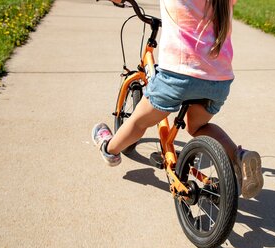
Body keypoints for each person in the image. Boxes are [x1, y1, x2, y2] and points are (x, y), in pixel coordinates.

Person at [92, 0, 263, 198]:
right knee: (196, 127)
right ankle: (239, 156)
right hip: (219, 80)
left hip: (178, 76)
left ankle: (109, 149)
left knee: (138, 123)